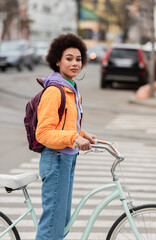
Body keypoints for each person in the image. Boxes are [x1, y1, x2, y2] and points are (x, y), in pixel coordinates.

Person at [35, 33, 96, 240]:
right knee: (51, 229)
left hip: (67, 159)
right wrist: (73, 138)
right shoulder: (55, 91)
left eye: (78, 59)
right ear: (57, 61)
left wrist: (82, 134)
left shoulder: (71, 88)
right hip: (56, 158)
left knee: (61, 225)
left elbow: (65, 124)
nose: (74, 63)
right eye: (69, 58)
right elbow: (43, 133)